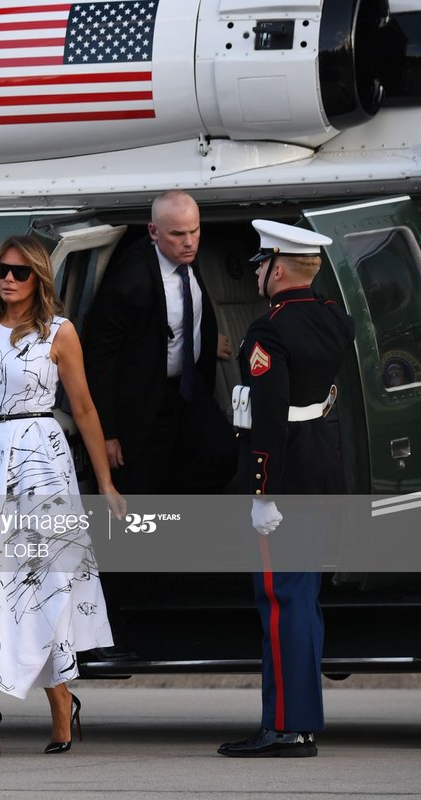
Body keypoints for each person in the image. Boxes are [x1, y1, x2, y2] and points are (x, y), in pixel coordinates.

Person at [0, 235, 126, 758]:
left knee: (37, 582)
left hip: (40, 463)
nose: (8, 279)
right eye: (1, 272)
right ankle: (59, 697)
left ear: (38, 277)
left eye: (20, 272)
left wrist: (105, 482)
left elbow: (84, 408)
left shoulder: (60, 332)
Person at [217, 219, 353, 758]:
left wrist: (261, 490)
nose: (256, 274)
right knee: (304, 600)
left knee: (280, 601)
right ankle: (300, 720)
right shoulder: (332, 317)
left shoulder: (268, 331)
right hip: (321, 466)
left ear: (276, 267)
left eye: (260, 265)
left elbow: (269, 418)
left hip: (287, 477)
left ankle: (286, 726)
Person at [82, 189, 236, 496]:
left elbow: (182, 311)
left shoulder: (185, 255)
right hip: (144, 401)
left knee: (221, 456)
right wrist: (107, 434)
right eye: (178, 234)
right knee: (145, 485)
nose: (189, 241)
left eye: (195, 231)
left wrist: (202, 340)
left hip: (190, 392)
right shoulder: (130, 280)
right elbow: (100, 356)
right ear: (153, 231)